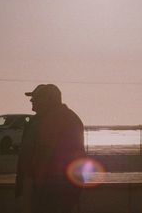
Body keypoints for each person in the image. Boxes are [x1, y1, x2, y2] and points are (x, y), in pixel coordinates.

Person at [17, 84, 86, 213]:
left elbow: (44, 153)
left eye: (36, 97)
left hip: (51, 187)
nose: (32, 101)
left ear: (48, 99)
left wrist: (34, 186)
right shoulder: (60, 117)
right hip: (59, 186)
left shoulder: (54, 119)